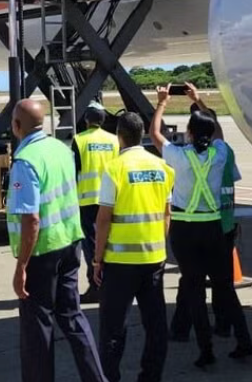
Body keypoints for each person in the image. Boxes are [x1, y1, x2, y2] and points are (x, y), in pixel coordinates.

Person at [151, 87, 252, 367]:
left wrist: (162, 103)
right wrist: (198, 101)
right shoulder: (220, 153)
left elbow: (155, 135)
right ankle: (244, 342)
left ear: (190, 134)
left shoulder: (179, 156)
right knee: (225, 288)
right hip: (216, 229)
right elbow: (218, 130)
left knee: (194, 289)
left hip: (186, 230)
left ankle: (205, 349)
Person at [6, 98, 106, 382]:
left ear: (16, 126)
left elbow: (31, 219)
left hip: (42, 252)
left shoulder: (26, 161)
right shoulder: (62, 149)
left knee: (37, 331)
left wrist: (21, 266)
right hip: (70, 244)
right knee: (73, 317)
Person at [93, 111, 173, 382]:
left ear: (120, 137)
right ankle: (150, 377)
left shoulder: (115, 168)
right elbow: (166, 214)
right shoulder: (163, 167)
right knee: (156, 327)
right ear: (142, 134)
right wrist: (159, 247)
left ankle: (110, 377)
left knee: (113, 330)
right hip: (154, 259)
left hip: (119, 262)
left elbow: (103, 219)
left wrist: (96, 259)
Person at [72, 105, 118, 302]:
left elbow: (74, 172)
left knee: (92, 246)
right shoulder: (114, 140)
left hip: (87, 200)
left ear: (86, 120)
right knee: (109, 242)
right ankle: (110, 284)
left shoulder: (79, 140)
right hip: (111, 199)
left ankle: (96, 285)